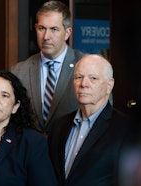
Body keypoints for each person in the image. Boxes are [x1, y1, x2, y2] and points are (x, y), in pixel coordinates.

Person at [48, 54, 132, 186]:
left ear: (109, 85)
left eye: (93, 78)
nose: (83, 84)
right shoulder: (59, 126)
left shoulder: (127, 129)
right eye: (79, 77)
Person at [11, 0, 83, 135]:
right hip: (31, 153)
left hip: (70, 152)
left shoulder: (85, 66)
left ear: (67, 33)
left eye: (54, 29)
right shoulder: (19, 72)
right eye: (42, 28)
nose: (46, 37)